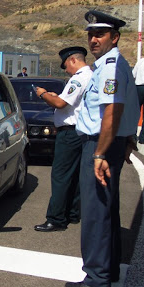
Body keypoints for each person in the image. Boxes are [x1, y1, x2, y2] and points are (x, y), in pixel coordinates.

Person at [64, 10, 140, 287]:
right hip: (109, 143)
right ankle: (110, 269)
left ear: (114, 37)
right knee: (107, 208)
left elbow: (112, 111)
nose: (93, 39)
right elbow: (126, 106)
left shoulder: (109, 67)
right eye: (90, 35)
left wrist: (100, 153)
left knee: (96, 212)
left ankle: (97, 277)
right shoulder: (115, 64)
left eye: (100, 35)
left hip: (99, 145)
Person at [33, 46, 91, 232]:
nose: (65, 69)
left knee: (60, 176)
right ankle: (72, 213)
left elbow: (60, 103)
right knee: (74, 176)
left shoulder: (79, 78)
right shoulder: (90, 75)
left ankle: (56, 219)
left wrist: (43, 94)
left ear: (73, 60)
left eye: (66, 65)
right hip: (80, 131)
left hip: (70, 133)